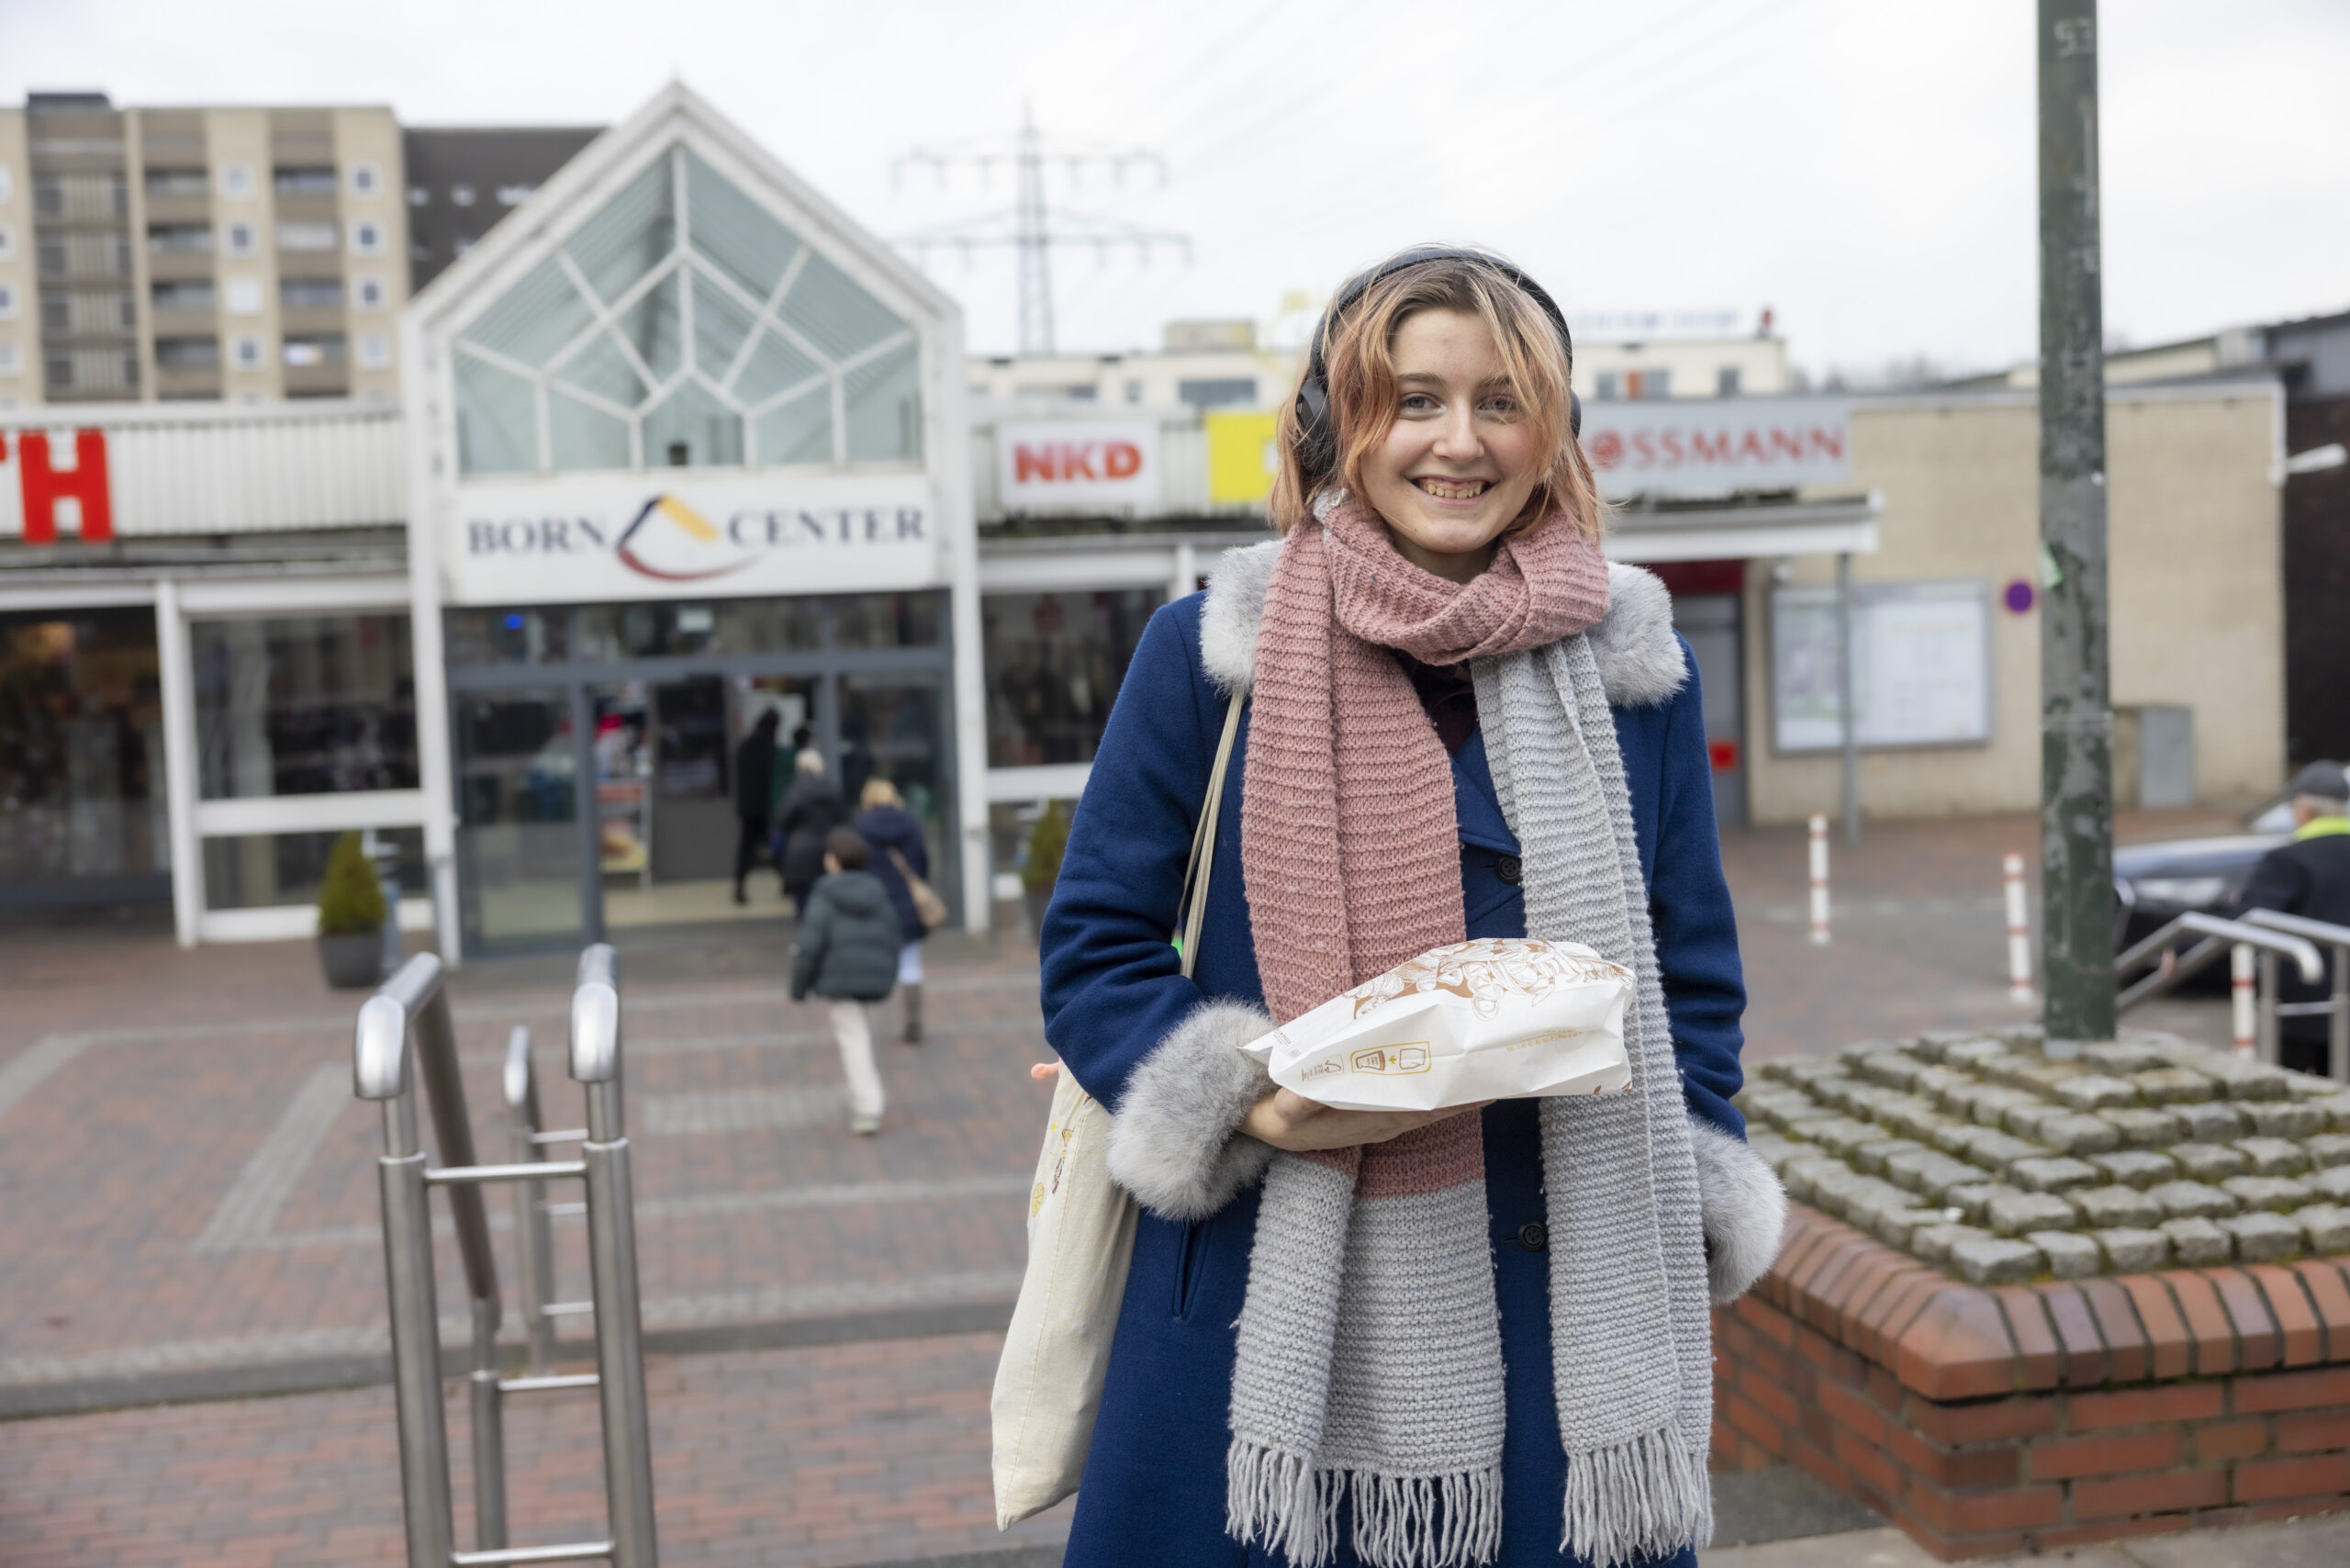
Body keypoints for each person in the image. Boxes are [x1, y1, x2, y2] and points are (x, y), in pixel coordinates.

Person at [1037, 249, 1785, 1568]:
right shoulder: (1211, 655)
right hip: (1264, 1280)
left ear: (1550, 432)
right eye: (1414, 400)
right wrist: (1247, 1101)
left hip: (1568, 1293)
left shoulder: (1632, 668)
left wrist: (1691, 1171)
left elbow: (1693, 974)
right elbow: (1097, 944)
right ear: (1339, 428)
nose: (1459, 441)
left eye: (1501, 402)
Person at [2234, 759, 2350, 1077]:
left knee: (2294, 1093)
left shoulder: (2287, 860)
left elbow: (2250, 917)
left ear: (2302, 809)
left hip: (2300, 1009)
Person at [790, 826, 902, 1136]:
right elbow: (893, 937)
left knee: (853, 1040)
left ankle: (867, 1106)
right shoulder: (876, 891)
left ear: (835, 861)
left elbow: (810, 944)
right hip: (872, 979)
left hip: (838, 979)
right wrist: (888, 975)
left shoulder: (825, 893)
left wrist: (799, 987)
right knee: (861, 1035)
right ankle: (866, 1094)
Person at [856, 777, 934, 1044]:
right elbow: (923, 862)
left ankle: (863, 1026)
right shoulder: (910, 824)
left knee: (865, 967)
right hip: (908, 906)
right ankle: (913, 1022)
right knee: (910, 966)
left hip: (874, 906)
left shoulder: (861, 827)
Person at [775, 748, 844, 920]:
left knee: (804, 907)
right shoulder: (830, 786)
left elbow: (784, 818)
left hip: (802, 851)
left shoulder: (797, 789)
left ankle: (809, 943)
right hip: (828, 849)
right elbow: (840, 817)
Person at [732, 709, 783, 905]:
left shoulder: (745, 746)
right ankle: (789, 883)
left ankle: (739, 885)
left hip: (747, 807)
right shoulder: (770, 748)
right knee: (777, 845)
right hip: (764, 808)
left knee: (746, 848)